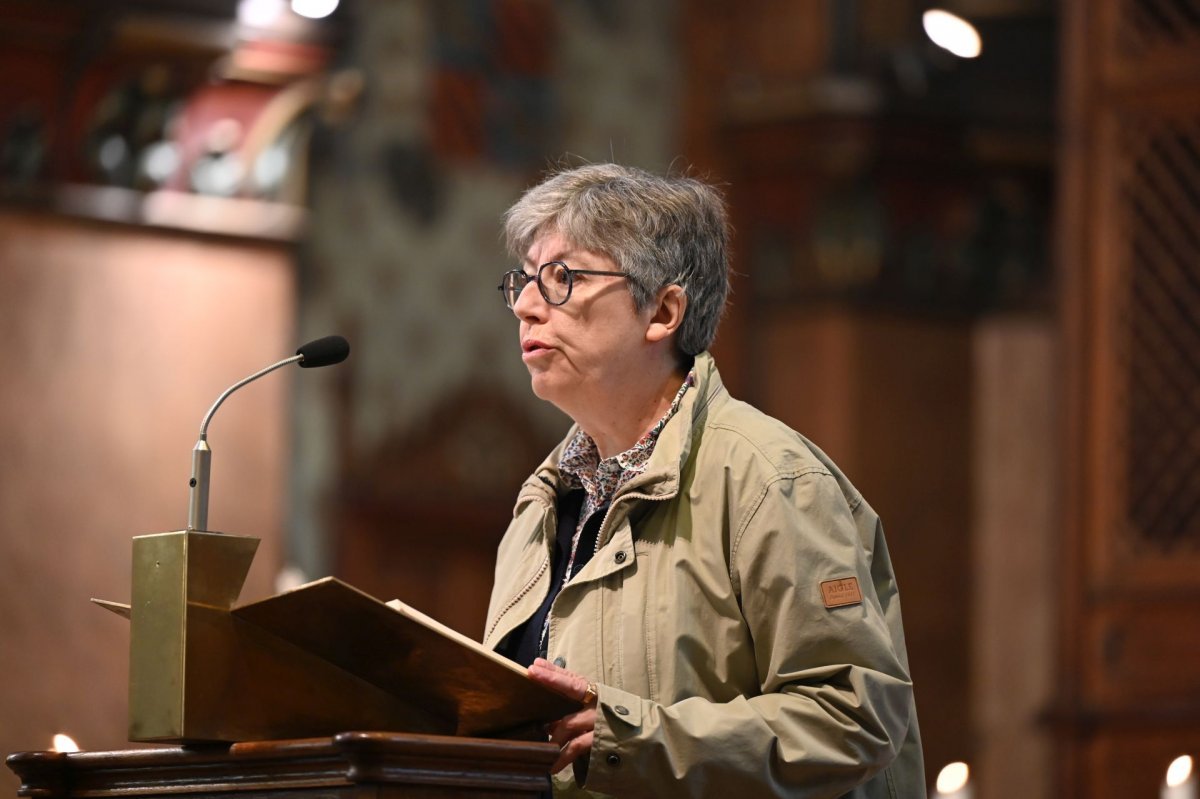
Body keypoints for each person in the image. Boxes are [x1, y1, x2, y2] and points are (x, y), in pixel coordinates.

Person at [484, 163, 924, 798]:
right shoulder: (542, 503)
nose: (526, 306)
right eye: (524, 280)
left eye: (563, 279)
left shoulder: (771, 479)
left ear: (663, 311)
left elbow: (853, 718)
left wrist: (632, 739)